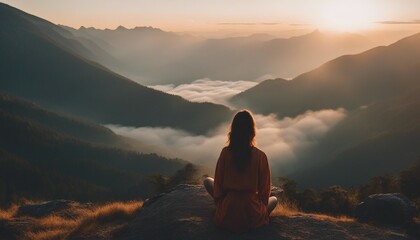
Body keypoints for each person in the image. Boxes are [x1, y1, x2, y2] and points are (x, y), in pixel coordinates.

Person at [203, 110, 277, 233]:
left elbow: (218, 187)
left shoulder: (225, 153)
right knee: (274, 199)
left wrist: (222, 206)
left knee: (207, 181)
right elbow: (265, 192)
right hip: (252, 214)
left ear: (233, 131)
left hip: (228, 211)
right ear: (252, 131)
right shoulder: (260, 156)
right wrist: (260, 210)